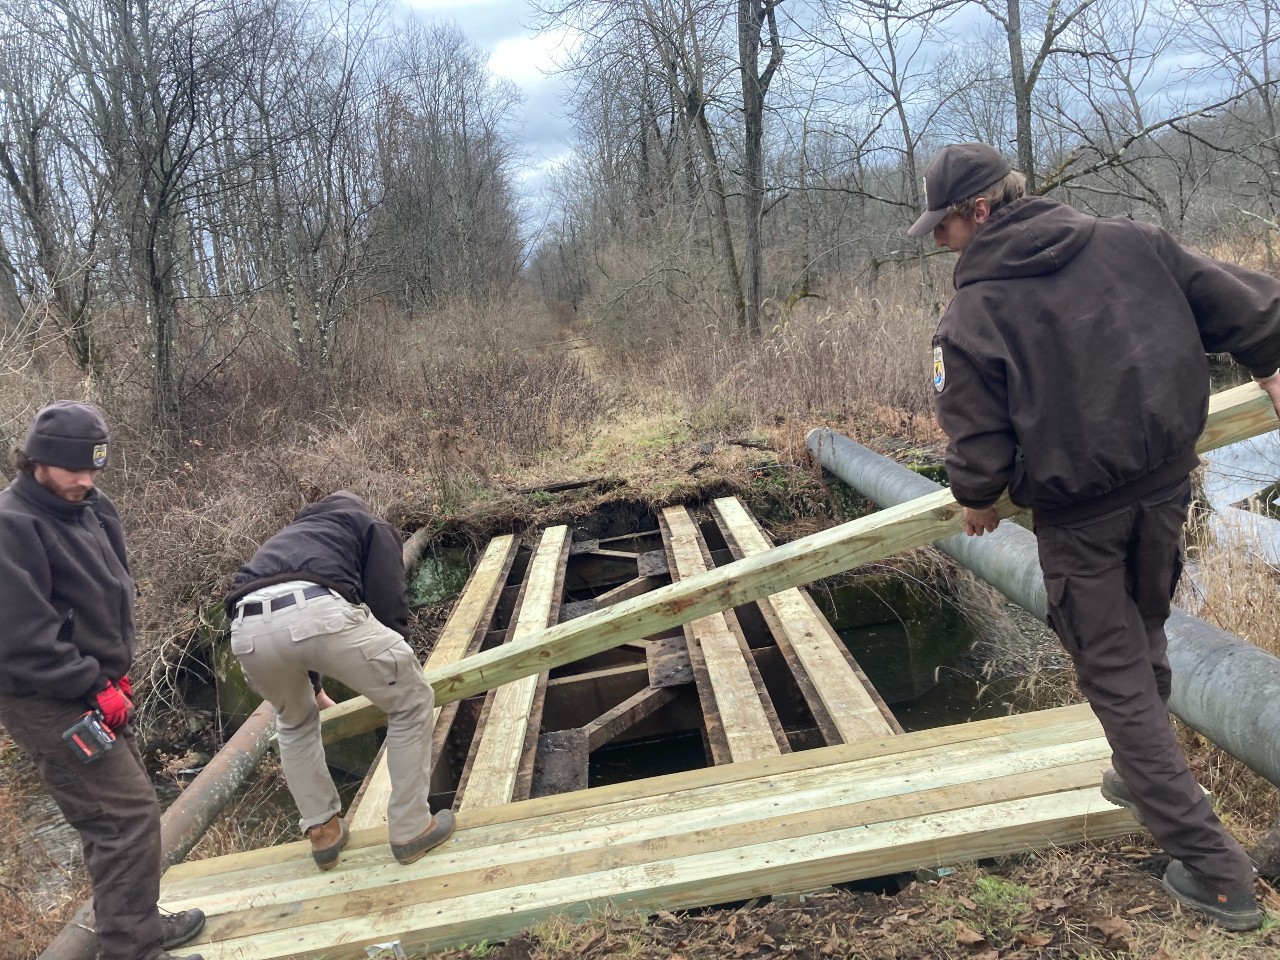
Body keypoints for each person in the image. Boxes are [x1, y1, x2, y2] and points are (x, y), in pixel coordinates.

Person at [911, 143, 1280, 932]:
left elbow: (977, 442)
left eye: (942, 227)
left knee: (1113, 676)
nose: (939, 243)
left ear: (978, 211)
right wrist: (1272, 360)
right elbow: (1245, 305)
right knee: (1144, 631)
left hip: (1079, 521)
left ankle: (1217, 873)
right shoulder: (1131, 243)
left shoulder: (971, 316)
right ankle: (1136, 775)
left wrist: (976, 498)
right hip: (1165, 492)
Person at [0, 401, 206, 960]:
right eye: (74, 468)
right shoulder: (12, 525)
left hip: (99, 686)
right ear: (37, 460)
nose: (86, 480)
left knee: (128, 809)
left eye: (95, 468)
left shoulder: (94, 508)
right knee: (124, 817)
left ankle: (135, 922)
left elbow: (113, 596)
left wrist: (117, 677)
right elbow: (22, 639)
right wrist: (93, 685)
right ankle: (130, 948)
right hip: (47, 698)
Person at [224, 491, 454, 871]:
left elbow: (281, 619)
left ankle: (323, 832)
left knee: (294, 723)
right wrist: (397, 670)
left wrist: (313, 690)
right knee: (411, 703)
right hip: (318, 612)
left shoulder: (291, 536)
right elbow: (387, 601)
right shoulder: (368, 525)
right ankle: (412, 829)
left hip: (246, 629)